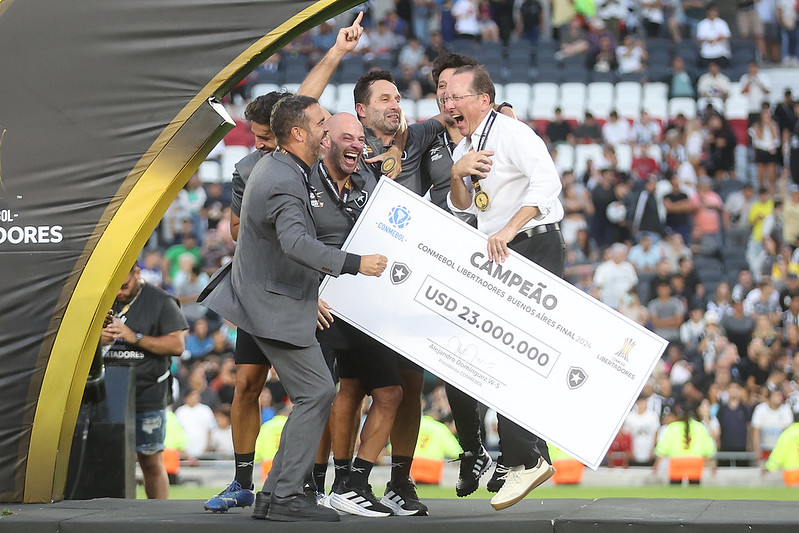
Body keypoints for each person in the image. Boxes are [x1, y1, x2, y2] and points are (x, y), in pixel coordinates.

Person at [199, 95, 387, 523]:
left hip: (266, 299)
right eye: (322, 122)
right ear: (300, 133)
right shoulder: (285, 177)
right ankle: (285, 496)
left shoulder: (280, 166)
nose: (327, 128)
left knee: (316, 391)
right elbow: (297, 245)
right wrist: (358, 264)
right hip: (273, 304)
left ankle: (273, 494)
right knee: (318, 392)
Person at [445, 64, 561, 510]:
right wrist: (457, 173)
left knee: (513, 353)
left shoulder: (512, 133)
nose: (449, 104)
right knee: (503, 353)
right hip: (505, 251)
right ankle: (528, 454)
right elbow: (464, 209)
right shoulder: (471, 144)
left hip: (533, 245)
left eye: (457, 96)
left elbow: (549, 182)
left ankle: (523, 458)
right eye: (447, 98)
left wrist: (510, 228)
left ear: (483, 100)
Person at [310, 113, 401, 518]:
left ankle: (354, 483)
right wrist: (306, 293)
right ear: (324, 138)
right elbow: (286, 241)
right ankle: (311, 485)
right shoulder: (302, 180)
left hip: (364, 306)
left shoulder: (371, 180)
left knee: (390, 393)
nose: (355, 145)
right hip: (321, 306)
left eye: (360, 139)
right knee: (320, 396)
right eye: (346, 137)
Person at [102, 262, 189, 499]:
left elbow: (177, 345)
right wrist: (98, 339)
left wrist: (135, 337)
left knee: (150, 459)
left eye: (124, 286)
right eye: (114, 287)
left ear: (137, 273)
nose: (119, 292)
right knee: (112, 462)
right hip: (107, 393)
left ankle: (158, 518)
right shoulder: (102, 298)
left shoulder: (161, 301)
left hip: (148, 392)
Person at [652, 402, 717, 483]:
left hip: (677, 462)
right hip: (695, 462)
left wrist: (656, 465)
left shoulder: (672, 427)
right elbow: (709, 448)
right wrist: (712, 465)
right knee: (694, 491)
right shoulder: (700, 427)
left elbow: (662, 448)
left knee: (675, 491)